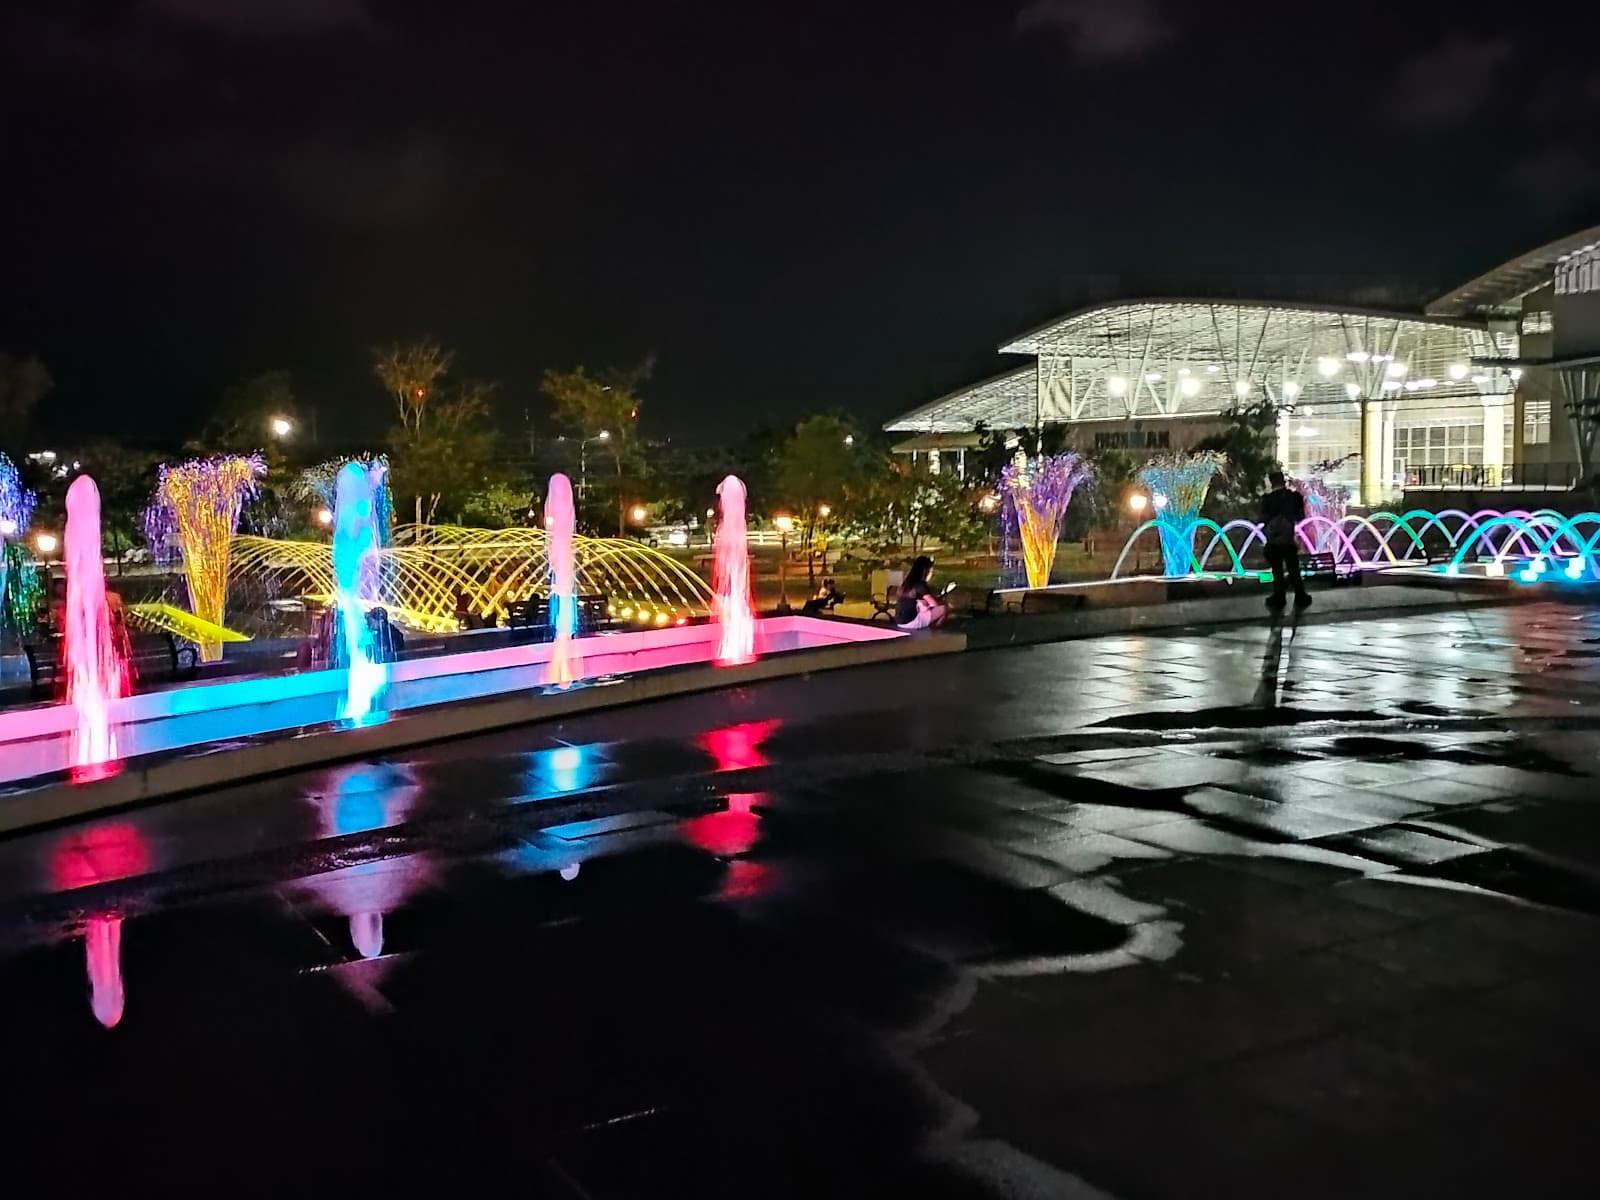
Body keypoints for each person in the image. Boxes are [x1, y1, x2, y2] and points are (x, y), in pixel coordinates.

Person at [1260, 469, 1312, 610]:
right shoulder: (1294, 497)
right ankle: (1300, 595)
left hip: (1274, 540)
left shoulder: (1268, 499)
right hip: (1288, 538)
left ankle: (1279, 597)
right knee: (1293, 568)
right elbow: (1300, 517)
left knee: (1277, 570)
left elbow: (1262, 519)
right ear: (1283, 481)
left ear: (1271, 482)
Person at [893, 555, 948, 630]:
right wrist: (941, 600)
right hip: (911, 622)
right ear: (925, 571)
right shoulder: (920, 585)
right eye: (930, 571)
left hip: (899, 622)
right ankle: (934, 631)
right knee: (943, 608)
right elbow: (934, 604)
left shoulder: (906, 584)